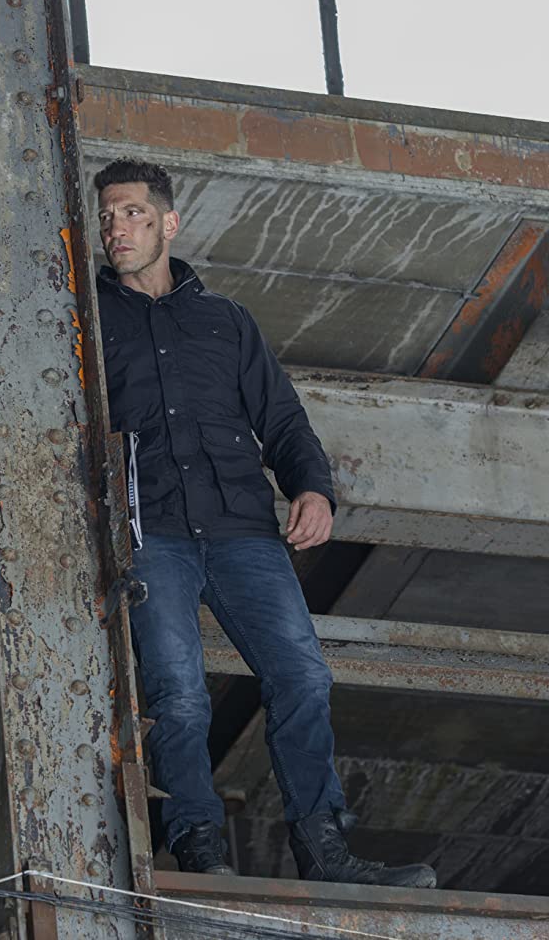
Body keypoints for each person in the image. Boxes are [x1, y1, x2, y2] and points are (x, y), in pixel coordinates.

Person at [93, 157, 436, 889]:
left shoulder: (226, 321)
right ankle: (199, 849)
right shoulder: (86, 322)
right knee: (178, 692)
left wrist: (312, 489)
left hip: (243, 530)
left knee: (302, 674)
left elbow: (281, 419)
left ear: (169, 223)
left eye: (133, 214)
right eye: (108, 217)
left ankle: (325, 849)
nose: (117, 229)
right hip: (151, 532)